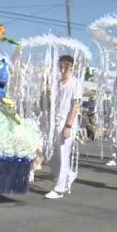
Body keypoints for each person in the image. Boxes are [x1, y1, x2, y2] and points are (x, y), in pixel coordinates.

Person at [44, 54, 82, 199]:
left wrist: (68, 125)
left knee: (64, 156)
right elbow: (52, 104)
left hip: (67, 123)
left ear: (72, 67)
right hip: (55, 121)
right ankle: (69, 174)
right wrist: (48, 93)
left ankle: (59, 189)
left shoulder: (76, 84)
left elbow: (75, 106)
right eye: (61, 65)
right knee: (49, 154)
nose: (62, 68)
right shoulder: (57, 84)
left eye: (66, 65)